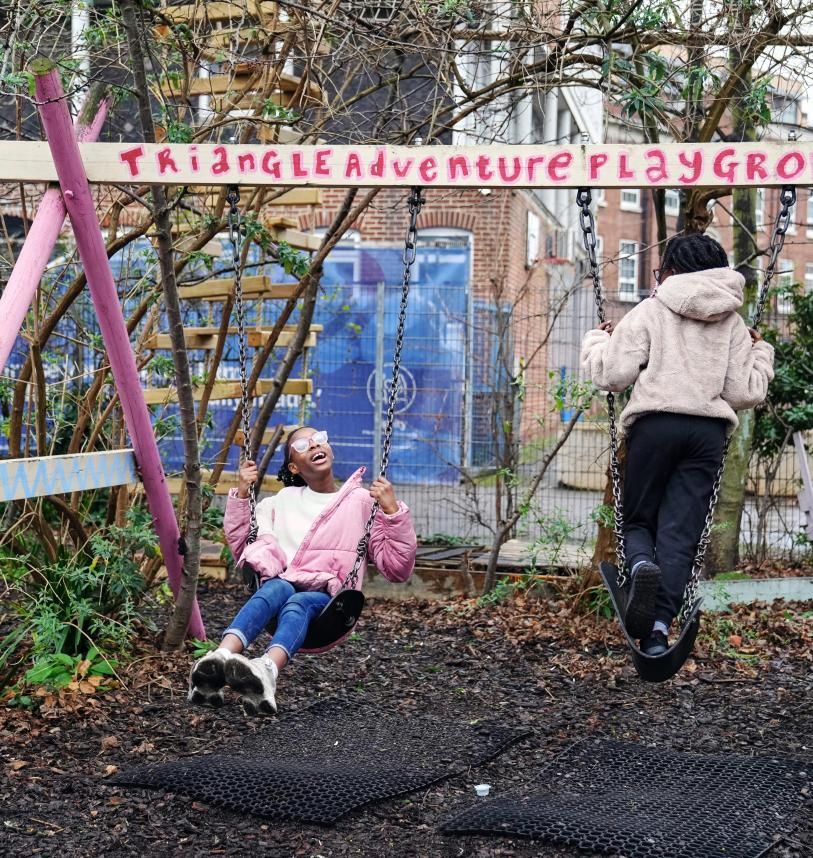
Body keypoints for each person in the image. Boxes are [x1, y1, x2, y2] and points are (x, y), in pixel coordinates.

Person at [581, 234, 775, 655]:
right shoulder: (734, 323)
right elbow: (745, 392)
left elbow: (612, 376)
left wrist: (598, 342)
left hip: (655, 426)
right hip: (705, 435)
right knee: (680, 533)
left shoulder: (651, 309)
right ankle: (656, 631)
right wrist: (762, 352)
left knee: (636, 521)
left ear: (669, 270)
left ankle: (641, 565)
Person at [188, 426, 417, 714]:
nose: (314, 445)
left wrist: (393, 511)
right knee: (279, 587)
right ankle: (220, 656)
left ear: (330, 449)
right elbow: (243, 544)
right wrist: (243, 494)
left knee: (298, 599)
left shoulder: (362, 503)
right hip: (281, 588)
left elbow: (397, 568)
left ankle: (267, 669)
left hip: (329, 603)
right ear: (294, 466)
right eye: (302, 444)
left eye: (320, 439)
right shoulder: (282, 502)